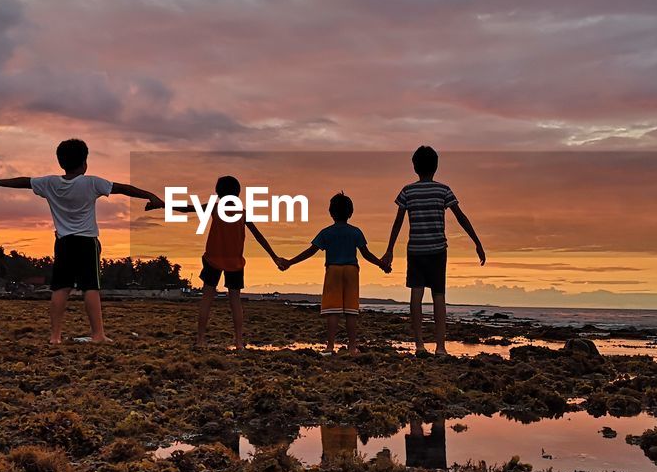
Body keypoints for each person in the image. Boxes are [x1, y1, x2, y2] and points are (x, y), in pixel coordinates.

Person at [0, 138, 162, 345]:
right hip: (86, 242)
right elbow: (124, 188)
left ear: (61, 162)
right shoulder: (91, 182)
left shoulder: (50, 183)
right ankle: (98, 334)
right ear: (84, 163)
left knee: (61, 288)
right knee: (90, 287)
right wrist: (151, 196)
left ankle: (54, 337)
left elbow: (24, 181)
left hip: (64, 242)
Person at [381, 146, 485, 356]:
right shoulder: (443, 190)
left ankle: (419, 344)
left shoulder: (407, 191)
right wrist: (477, 242)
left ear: (414, 167)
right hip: (438, 250)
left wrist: (389, 250)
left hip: (416, 250)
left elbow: (397, 223)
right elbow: (461, 217)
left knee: (416, 296)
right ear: (436, 166)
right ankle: (440, 347)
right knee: (439, 296)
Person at [173, 175, 284, 351]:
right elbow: (259, 236)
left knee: (207, 298)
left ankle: (200, 339)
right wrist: (274, 256)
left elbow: (187, 208)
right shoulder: (242, 213)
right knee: (235, 301)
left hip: (213, 259)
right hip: (235, 262)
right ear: (237, 193)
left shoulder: (215, 208)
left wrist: (162, 204)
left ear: (218, 193)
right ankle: (239, 342)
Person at [279, 192, 390, 355]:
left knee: (332, 310)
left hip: (333, 270)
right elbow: (366, 254)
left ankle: (330, 346)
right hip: (351, 271)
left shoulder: (326, 232)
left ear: (331, 213)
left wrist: (290, 262)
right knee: (351, 311)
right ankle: (352, 347)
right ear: (350, 213)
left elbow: (310, 251)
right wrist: (382, 265)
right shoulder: (355, 232)